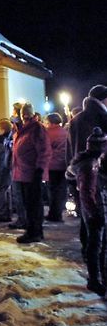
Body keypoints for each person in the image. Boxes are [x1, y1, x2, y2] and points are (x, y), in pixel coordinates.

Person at [66, 85, 107, 259]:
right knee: (97, 220)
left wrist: (73, 169)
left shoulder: (77, 118)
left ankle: (88, 252)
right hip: (98, 174)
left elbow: (70, 149)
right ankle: (96, 263)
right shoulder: (101, 117)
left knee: (87, 216)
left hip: (80, 172)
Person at [68, 127, 107, 296]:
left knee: (97, 244)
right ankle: (94, 280)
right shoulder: (90, 165)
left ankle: (100, 275)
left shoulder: (89, 161)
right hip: (95, 209)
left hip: (92, 207)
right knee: (96, 244)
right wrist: (95, 213)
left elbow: (71, 177)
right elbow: (87, 191)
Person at [12, 103, 51, 243]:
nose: (24, 117)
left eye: (26, 115)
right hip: (23, 172)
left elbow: (44, 151)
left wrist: (39, 170)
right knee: (28, 204)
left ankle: (34, 231)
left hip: (32, 173)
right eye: (23, 115)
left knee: (33, 204)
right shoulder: (23, 129)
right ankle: (32, 230)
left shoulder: (36, 129)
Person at [44, 113, 68, 222]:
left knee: (52, 191)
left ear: (51, 122)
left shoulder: (48, 133)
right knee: (61, 190)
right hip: (64, 164)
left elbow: (45, 149)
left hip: (52, 165)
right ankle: (58, 213)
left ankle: (54, 214)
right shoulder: (65, 132)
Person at [7, 102, 27, 230]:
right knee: (19, 194)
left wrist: (8, 143)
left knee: (19, 194)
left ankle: (22, 219)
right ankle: (23, 218)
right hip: (19, 164)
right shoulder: (21, 128)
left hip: (20, 165)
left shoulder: (20, 128)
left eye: (13, 111)